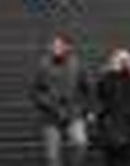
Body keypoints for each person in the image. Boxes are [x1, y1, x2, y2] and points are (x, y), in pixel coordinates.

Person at [31, 34, 93, 166]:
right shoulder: (43, 65)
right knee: (52, 157)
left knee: (80, 143)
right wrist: (47, 102)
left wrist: (87, 110)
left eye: (59, 45)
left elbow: (88, 89)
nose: (55, 48)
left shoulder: (78, 64)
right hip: (51, 115)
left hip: (73, 113)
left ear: (68, 47)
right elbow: (35, 91)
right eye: (54, 45)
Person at [94, 49, 130, 166]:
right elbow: (102, 96)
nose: (124, 62)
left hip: (128, 125)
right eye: (120, 59)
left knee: (128, 159)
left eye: (127, 60)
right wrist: (112, 72)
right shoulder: (106, 78)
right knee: (111, 160)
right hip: (110, 125)